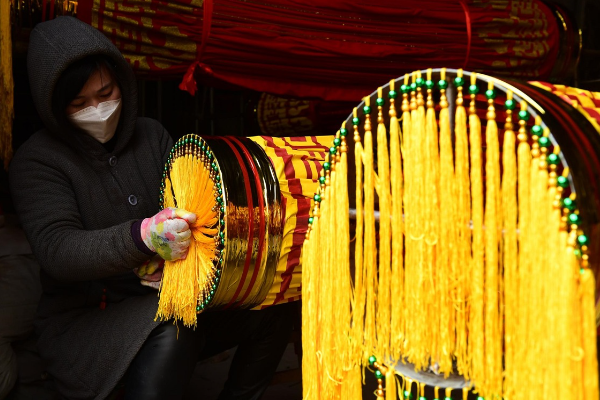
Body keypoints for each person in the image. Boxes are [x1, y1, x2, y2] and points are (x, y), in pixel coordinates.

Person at [9, 16, 293, 400]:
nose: (98, 108)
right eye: (80, 104)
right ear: (55, 108)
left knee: (273, 299)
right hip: (86, 323)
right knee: (174, 323)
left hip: (169, 294)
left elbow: (193, 211)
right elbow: (58, 251)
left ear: (121, 82)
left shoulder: (152, 136)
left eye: (106, 93)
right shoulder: (37, 161)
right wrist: (143, 238)